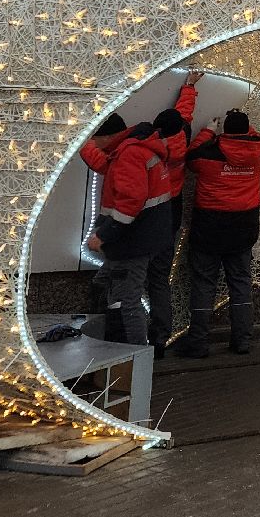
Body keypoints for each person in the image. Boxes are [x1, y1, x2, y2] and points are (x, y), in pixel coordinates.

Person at [176, 109, 260, 358]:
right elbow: (257, 138)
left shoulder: (208, 153)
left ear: (225, 130)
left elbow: (190, 156)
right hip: (244, 228)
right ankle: (242, 341)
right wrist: (242, 128)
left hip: (209, 228)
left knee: (204, 285)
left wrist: (209, 130)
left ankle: (198, 343)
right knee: (240, 285)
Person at [81, 113, 172, 345]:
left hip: (132, 241)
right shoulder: (135, 147)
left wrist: (103, 235)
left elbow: (130, 202)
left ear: (109, 136)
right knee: (108, 285)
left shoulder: (129, 154)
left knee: (126, 302)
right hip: (147, 236)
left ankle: (133, 361)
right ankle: (121, 348)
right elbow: (107, 166)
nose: (94, 143)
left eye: (96, 138)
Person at [143, 71, 203, 357]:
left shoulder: (147, 151)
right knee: (159, 282)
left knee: (127, 281)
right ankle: (159, 340)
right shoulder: (183, 138)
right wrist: (189, 87)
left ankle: (126, 344)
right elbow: (184, 116)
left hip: (145, 223)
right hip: (170, 218)